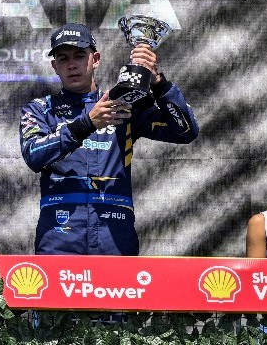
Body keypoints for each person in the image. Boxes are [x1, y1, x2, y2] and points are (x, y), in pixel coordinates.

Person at [19, 23, 199, 255]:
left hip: (115, 236)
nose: (72, 64)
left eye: (79, 55)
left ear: (95, 59)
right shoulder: (40, 109)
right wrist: (87, 124)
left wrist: (159, 83)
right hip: (60, 238)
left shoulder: (124, 104)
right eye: (63, 58)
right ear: (55, 66)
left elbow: (185, 131)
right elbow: (33, 155)